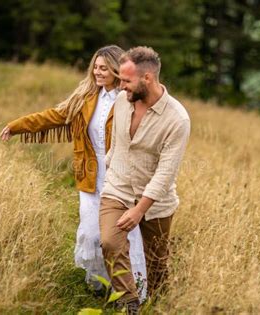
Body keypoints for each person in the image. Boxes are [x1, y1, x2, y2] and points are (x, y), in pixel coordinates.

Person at [0, 45, 147, 300]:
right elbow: (52, 116)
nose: (98, 73)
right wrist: (16, 126)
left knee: (123, 234)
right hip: (90, 176)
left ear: (115, 70)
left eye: (104, 68)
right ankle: (100, 285)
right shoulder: (86, 98)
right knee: (91, 234)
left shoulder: (129, 99)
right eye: (95, 68)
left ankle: (133, 292)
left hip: (121, 179)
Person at [99, 46, 190, 313]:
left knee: (157, 264)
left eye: (126, 81)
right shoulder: (121, 101)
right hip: (117, 188)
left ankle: (159, 306)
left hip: (156, 202)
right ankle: (130, 305)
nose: (121, 86)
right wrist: (109, 169)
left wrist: (140, 210)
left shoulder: (178, 119)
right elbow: (117, 144)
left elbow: (166, 173)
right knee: (109, 242)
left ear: (147, 78)